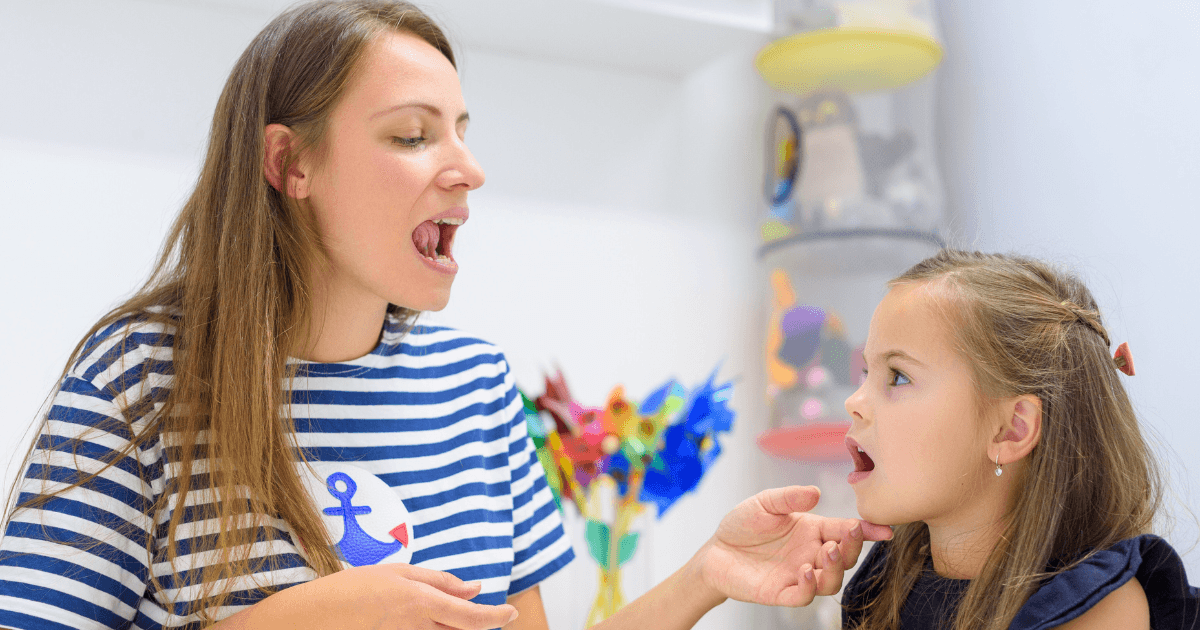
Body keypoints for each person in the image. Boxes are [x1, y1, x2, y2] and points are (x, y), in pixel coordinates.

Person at [0, 2, 893, 629]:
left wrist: (710, 577)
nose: (467, 167)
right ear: (289, 164)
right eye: (412, 134)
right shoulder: (140, 377)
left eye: (462, 128)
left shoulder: (475, 385)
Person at [839, 249, 1200, 629]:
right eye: (865, 372)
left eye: (897, 376)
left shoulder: (1095, 609)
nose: (854, 402)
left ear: (1012, 429)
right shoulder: (887, 579)